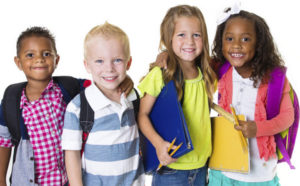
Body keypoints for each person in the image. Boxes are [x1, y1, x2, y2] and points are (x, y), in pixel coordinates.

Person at [0, 26, 133, 186]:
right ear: (18, 62)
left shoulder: (68, 87)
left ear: (57, 60)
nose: (39, 59)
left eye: (47, 54)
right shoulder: (12, 98)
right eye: (30, 55)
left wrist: (125, 80)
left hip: (66, 181)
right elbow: (4, 141)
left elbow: (103, 84)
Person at [208, 8, 295, 186]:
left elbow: (288, 117)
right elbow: (191, 60)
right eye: (229, 38)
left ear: (259, 44)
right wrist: (165, 56)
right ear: (221, 42)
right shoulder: (222, 69)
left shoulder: (275, 79)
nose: (236, 45)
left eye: (245, 39)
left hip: (259, 175)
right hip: (223, 169)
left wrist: (258, 128)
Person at [138, 5, 217, 186]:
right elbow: (142, 115)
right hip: (171, 169)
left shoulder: (205, 73)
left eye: (196, 35)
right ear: (169, 38)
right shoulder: (161, 74)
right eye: (181, 35)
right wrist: (158, 144)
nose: (189, 41)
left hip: (201, 167)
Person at [61, 22, 144, 186]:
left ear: (128, 63)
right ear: (87, 65)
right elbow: (71, 153)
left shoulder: (133, 97)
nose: (109, 68)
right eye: (99, 61)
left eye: (117, 60)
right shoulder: (78, 108)